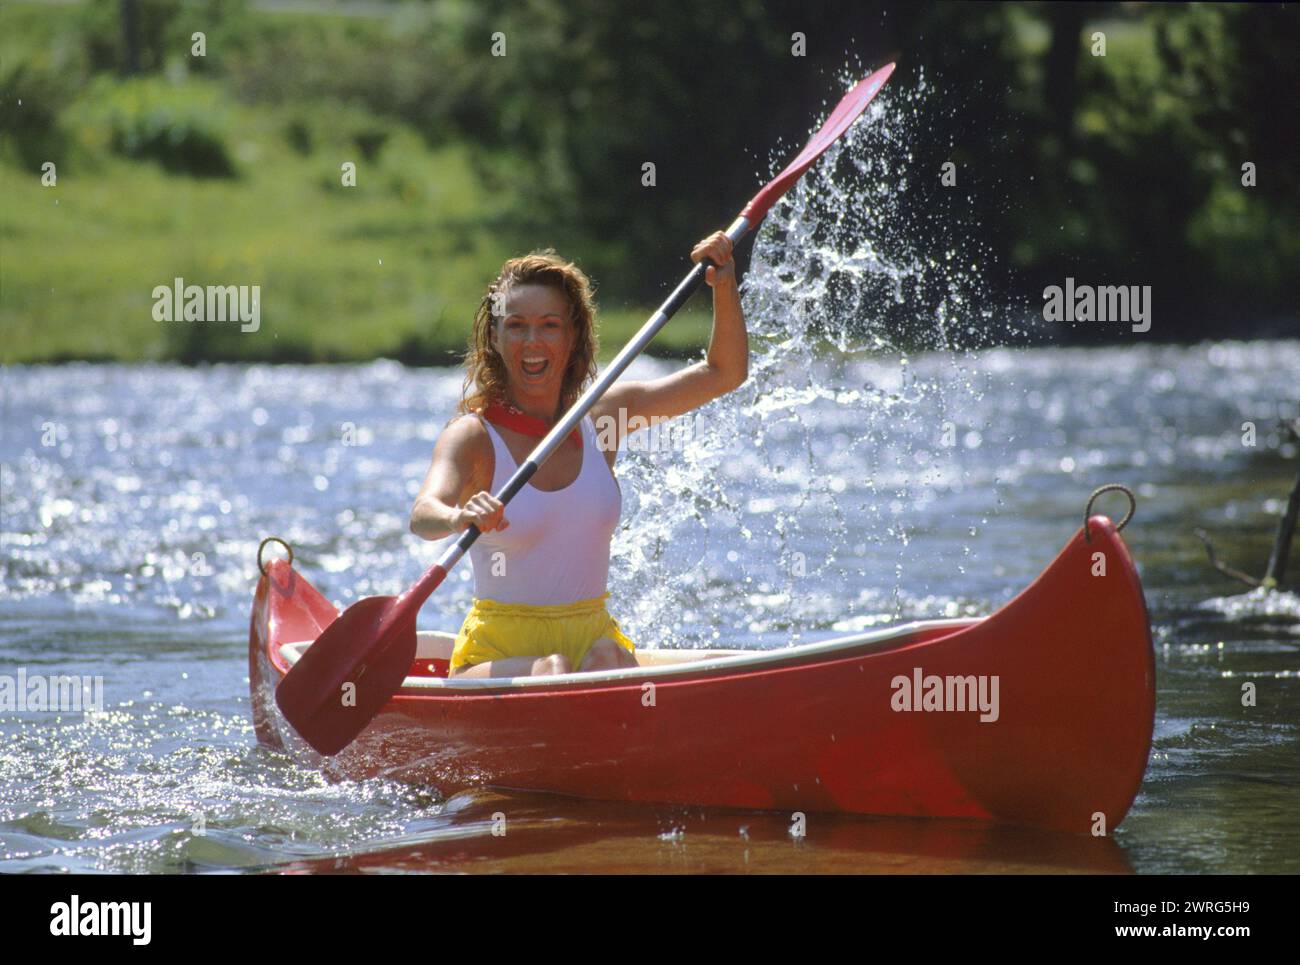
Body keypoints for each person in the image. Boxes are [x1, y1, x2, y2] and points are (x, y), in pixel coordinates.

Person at [410, 233, 747, 677]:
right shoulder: (473, 435)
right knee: (553, 668)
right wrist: (458, 518)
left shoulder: (604, 418)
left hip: (594, 643)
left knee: (606, 657)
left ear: (572, 337)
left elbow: (725, 373)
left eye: (550, 325)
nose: (533, 341)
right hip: (498, 653)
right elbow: (423, 514)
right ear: (495, 336)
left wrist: (722, 285)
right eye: (516, 325)